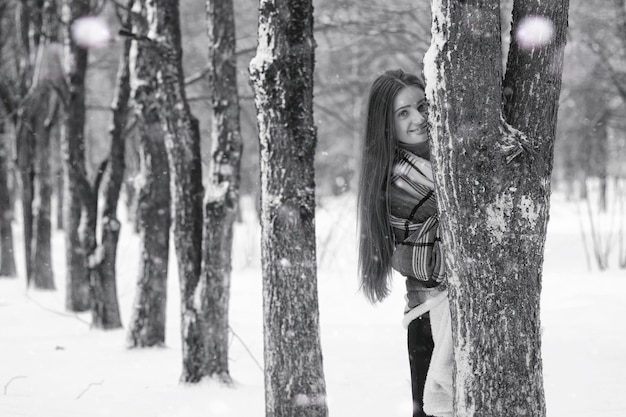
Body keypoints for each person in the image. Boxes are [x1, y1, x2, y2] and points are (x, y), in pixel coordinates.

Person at [357, 69, 453, 417]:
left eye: (422, 105)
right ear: (388, 125)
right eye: (403, 113)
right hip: (430, 318)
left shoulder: (445, 159)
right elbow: (433, 257)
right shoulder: (399, 183)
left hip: (446, 315)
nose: (419, 118)